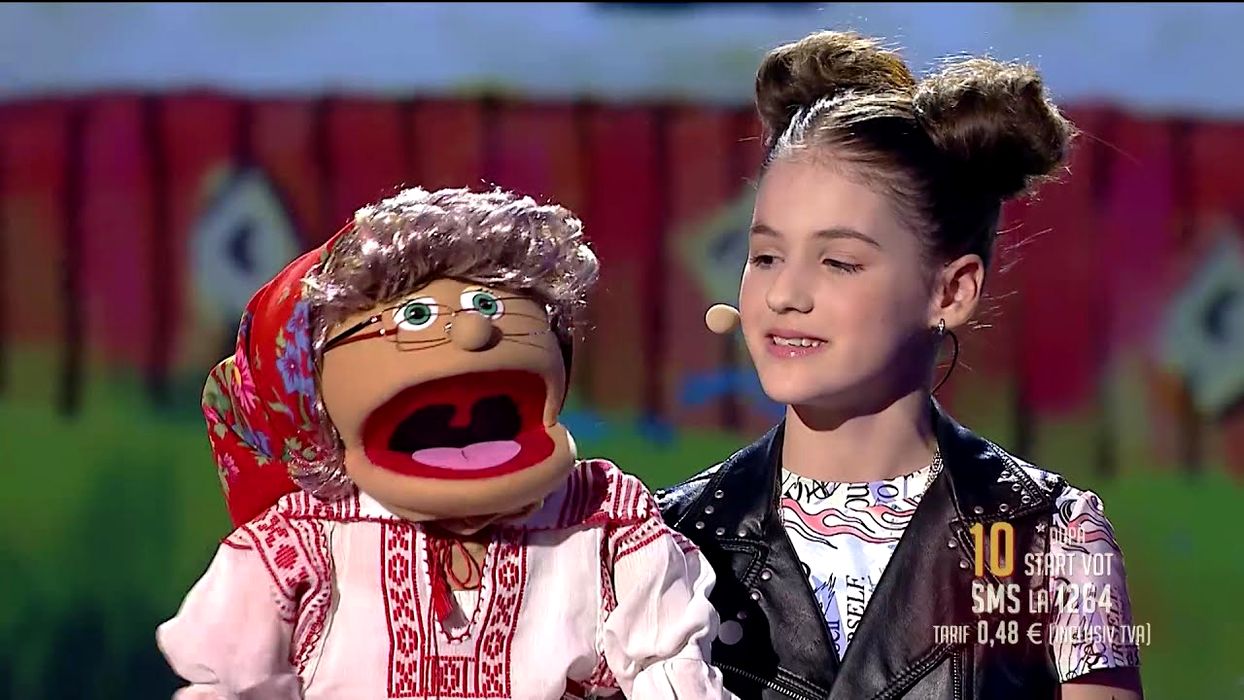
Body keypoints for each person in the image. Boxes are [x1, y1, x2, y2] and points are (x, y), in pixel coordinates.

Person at [658, 30, 1143, 700]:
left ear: (952, 291)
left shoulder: (1053, 539)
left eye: (838, 262)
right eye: (766, 256)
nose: (783, 294)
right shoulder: (666, 541)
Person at [157, 186, 733, 699]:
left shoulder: (604, 517)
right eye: (415, 314)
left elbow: (667, 664)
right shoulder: (305, 539)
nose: (474, 330)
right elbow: (230, 683)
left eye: (490, 304)